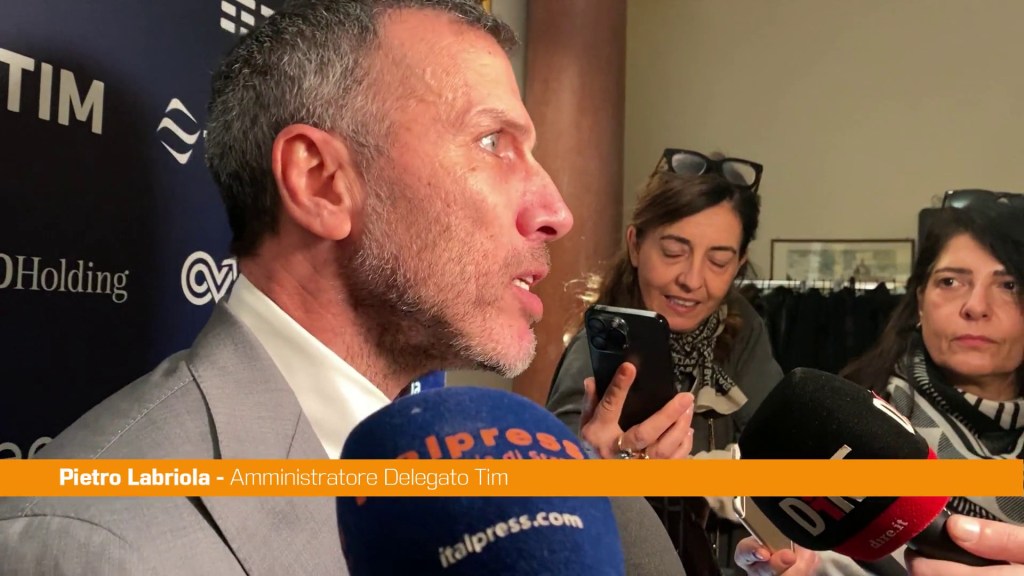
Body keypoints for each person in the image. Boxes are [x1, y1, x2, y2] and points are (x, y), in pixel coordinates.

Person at [0, 2, 687, 574]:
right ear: (320, 182)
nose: (557, 211)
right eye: (491, 142)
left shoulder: (498, 478)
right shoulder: (89, 543)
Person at [737, 202, 1024, 575]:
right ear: (920, 301)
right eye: (950, 282)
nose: (975, 306)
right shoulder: (841, 419)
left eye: (1009, 285)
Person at [547, 156, 784, 575]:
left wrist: (783, 541)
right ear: (636, 245)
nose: (692, 279)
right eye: (674, 251)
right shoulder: (597, 354)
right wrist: (601, 475)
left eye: (718, 261)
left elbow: (781, 450)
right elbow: (551, 496)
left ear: (740, 264)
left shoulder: (743, 330)